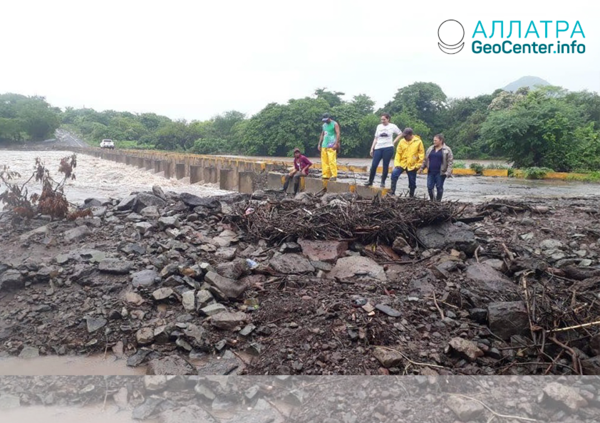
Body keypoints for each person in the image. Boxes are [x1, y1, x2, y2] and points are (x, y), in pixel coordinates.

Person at [365, 113, 403, 187]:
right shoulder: (379, 126)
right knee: (374, 165)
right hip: (378, 147)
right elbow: (376, 138)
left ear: (388, 119)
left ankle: (383, 182)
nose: (382, 121)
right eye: (381, 119)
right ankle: (370, 181)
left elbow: (400, 133)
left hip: (388, 147)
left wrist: (394, 142)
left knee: (385, 165)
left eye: (384, 119)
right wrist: (372, 148)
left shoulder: (392, 126)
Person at [390, 128, 424, 197]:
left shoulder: (418, 142)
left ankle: (411, 195)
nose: (404, 137)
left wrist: (418, 165)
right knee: (394, 174)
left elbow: (421, 154)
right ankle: (392, 192)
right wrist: (397, 164)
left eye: (406, 136)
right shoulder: (402, 141)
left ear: (410, 135)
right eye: (404, 136)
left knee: (412, 181)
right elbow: (398, 154)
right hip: (402, 164)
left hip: (412, 165)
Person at [419, 134, 454, 201]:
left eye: (435, 140)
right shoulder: (430, 149)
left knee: (439, 187)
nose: (434, 142)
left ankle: (438, 201)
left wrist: (448, 172)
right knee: (429, 187)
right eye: (433, 140)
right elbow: (425, 159)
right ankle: (432, 200)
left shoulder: (447, 150)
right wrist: (422, 168)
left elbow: (450, 161)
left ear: (441, 141)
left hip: (441, 172)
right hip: (431, 171)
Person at [318, 113, 340, 181]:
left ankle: (334, 175)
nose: (325, 121)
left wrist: (336, 144)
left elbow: (338, 133)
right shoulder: (324, 125)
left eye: (326, 119)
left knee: (332, 160)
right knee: (324, 161)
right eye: (324, 120)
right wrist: (319, 144)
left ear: (329, 118)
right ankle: (325, 175)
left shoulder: (335, 124)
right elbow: (322, 134)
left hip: (331, 144)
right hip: (324, 144)